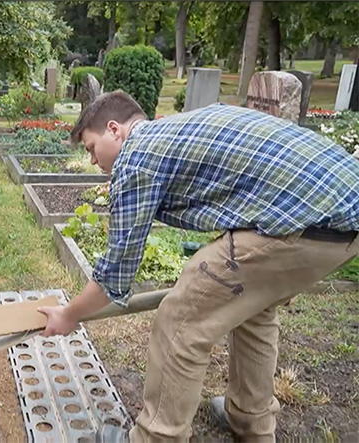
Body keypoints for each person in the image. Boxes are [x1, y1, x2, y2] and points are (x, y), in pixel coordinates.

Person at [38, 91, 359, 442]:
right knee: (253, 309)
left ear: (115, 130)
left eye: (90, 148)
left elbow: (117, 271)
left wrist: (69, 314)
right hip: (341, 221)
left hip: (305, 219)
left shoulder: (137, 154)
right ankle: (250, 421)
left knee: (182, 318)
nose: (94, 161)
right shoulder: (176, 132)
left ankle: (156, 437)